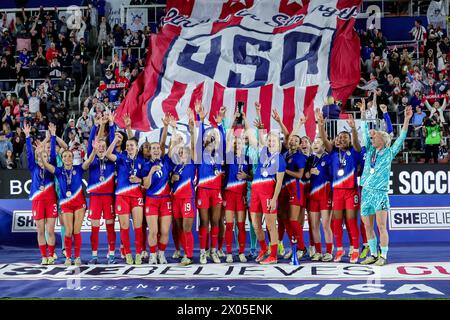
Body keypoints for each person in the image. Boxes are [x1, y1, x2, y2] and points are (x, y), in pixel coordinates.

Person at [359, 103, 413, 266]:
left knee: (381, 226)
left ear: (383, 139)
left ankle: (383, 256)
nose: (372, 137)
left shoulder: (389, 152)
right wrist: (362, 113)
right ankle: (374, 254)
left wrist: (406, 120)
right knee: (367, 226)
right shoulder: (370, 150)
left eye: (375, 136)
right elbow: (364, 131)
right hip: (366, 192)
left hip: (380, 193)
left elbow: (402, 136)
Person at [40, 140, 96, 266]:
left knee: (76, 231)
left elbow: (88, 162)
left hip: (79, 203)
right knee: (68, 231)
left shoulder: (78, 168)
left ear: (73, 158)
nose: (67, 158)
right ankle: (68, 257)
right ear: (62, 158)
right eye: (65, 156)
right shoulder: (59, 171)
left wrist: (95, 151)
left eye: (70, 156)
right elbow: (47, 166)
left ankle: (77, 257)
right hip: (65, 204)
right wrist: (42, 155)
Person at [317, 109, 362, 263]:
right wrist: (321, 126)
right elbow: (324, 140)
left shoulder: (354, 151)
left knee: (350, 221)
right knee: (336, 222)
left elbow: (357, 144)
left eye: (345, 137)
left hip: (351, 191)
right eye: (340, 137)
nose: (342, 139)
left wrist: (353, 129)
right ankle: (339, 250)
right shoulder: (333, 152)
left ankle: (355, 250)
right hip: (336, 192)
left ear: (349, 140)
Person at [248, 118, 286, 265]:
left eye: (274, 141)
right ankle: (264, 249)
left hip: (268, 193)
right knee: (256, 224)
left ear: (279, 144)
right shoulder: (264, 151)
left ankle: (274, 255)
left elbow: (280, 182)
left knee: (270, 225)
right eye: (269, 141)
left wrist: (274, 199)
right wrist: (260, 129)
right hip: (255, 191)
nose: (271, 143)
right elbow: (261, 139)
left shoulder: (280, 159)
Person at [105, 132, 145, 265]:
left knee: (138, 226)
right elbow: (108, 154)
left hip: (137, 195)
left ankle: (138, 253)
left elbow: (145, 180)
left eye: (132, 145)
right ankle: (128, 253)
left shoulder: (141, 159)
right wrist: (115, 139)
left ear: (136, 147)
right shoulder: (121, 157)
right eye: (127, 145)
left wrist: (139, 179)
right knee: (124, 226)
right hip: (122, 195)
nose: (129, 147)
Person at [194, 102, 226, 264]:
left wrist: (220, 124)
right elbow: (199, 137)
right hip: (203, 190)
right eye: (208, 137)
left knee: (215, 221)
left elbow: (223, 138)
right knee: (204, 221)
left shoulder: (219, 155)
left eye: (213, 137)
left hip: (216, 191)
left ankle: (213, 251)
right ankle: (202, 252)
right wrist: (200, 119)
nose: (210, 139)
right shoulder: (199, 154)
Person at [142, 113, 175, 265]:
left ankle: (161, 254)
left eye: (157, 148)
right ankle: (153, 254)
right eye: (153, 148)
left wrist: (166, 126)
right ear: (150, 151)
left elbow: (163, 143)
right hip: (152, 200)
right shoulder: (146, 165)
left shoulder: (166, 161)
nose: (156, 150)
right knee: (153, 231)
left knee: (165, 231)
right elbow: (146, 185)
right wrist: (151, 172)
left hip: (165, 200)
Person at [84, 112, 117, 264]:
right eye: (100, 146)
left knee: (110, 226)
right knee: (95, 227)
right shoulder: (92, 157)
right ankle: (94, 255)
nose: (102, 148)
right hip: (96, 197)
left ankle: (111, 255)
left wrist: (110, 124)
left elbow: (113, 141)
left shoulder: (111, 159)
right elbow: (92, 140)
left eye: (104, 146)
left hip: (108, 196)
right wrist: (97, 126)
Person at [23, 123, 58, 265]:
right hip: (38, 201)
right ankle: (44, 256)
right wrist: (27, 136)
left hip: (50, 201)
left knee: (50, 231)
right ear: (38, 157)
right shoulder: (33, 167)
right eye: (40, 155)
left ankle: (51, 254)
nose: (43, 157)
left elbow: (54, 152)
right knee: (40, 230)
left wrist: (53, 136)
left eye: (45, 155)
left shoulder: (52, 165)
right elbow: (29, 154)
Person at [170, 110, 197, 266]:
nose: (181, 153)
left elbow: (193, 144)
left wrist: (191, 127)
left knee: (187, 228)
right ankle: (180, 250)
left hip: (187, 198)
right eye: (180, 152)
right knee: (178, 226)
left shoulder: (192, 162)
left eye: (183, 152)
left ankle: (188, 255)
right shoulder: (176, 166)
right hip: (176, 199)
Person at [223, 111, 250, 264]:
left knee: (241, 225)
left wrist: (246, 177)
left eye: (240, 142)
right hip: (229, 194)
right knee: (229, 225)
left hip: (241, 195)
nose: (237, 144)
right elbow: (228, 137)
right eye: (235, 143)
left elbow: (253, 177)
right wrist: (234, 119)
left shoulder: (247, 158)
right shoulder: (228, 156)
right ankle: (228, 253)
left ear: (243, 144)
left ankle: (241, 252)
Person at [307, 137, 333, 262]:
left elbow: (333, 175)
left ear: (323, 145)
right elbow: (305, 175)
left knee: (326, 225)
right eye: (314, 142)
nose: (315, 144)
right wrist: (309, 173)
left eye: (318, 142)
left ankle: (328, 252)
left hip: (325, 195)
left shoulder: (328, 157)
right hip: (313, 196)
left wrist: (321, 174)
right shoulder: (310, 159)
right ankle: (318, 252)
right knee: (314, 226)